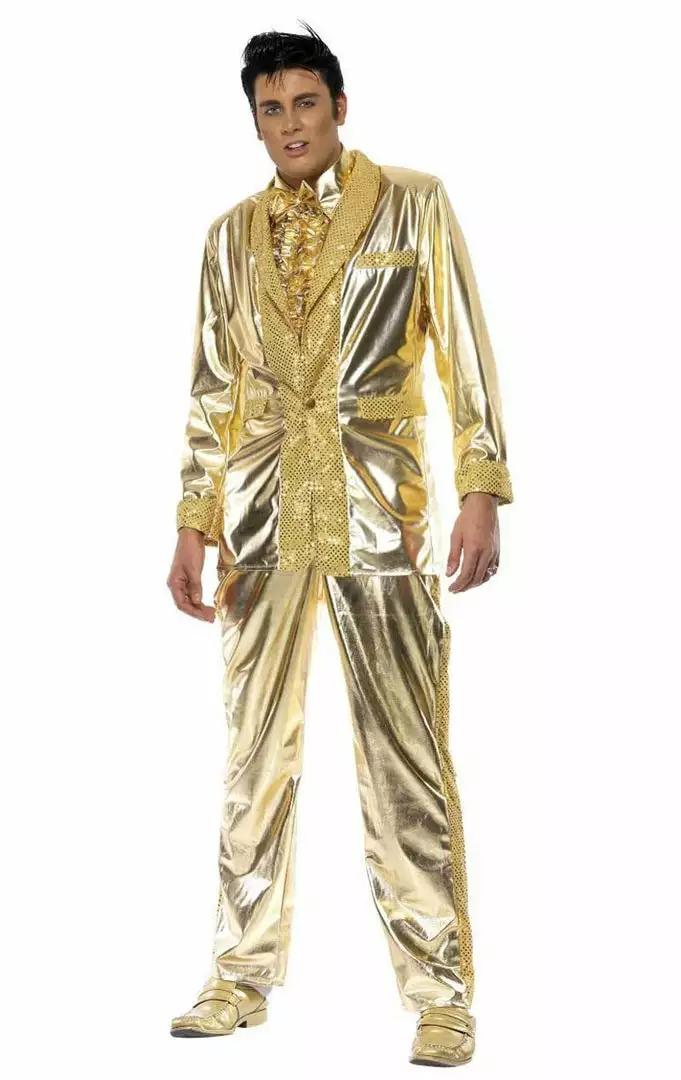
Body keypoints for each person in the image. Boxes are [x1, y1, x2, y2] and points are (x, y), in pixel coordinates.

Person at [166, 22, 513, 1068]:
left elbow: (463, 351)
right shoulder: (227, 237)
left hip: (379, 509)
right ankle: (237, 975)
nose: (290, 125)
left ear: (339, 107)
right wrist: (192, 520)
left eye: (305, 104)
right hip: (262, 514)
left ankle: (440, 992)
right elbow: (211, 393)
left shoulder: (413, 202)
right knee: (252, 755)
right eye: (270, 109)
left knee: (404, 753)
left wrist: (481, 487)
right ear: (255, 121)